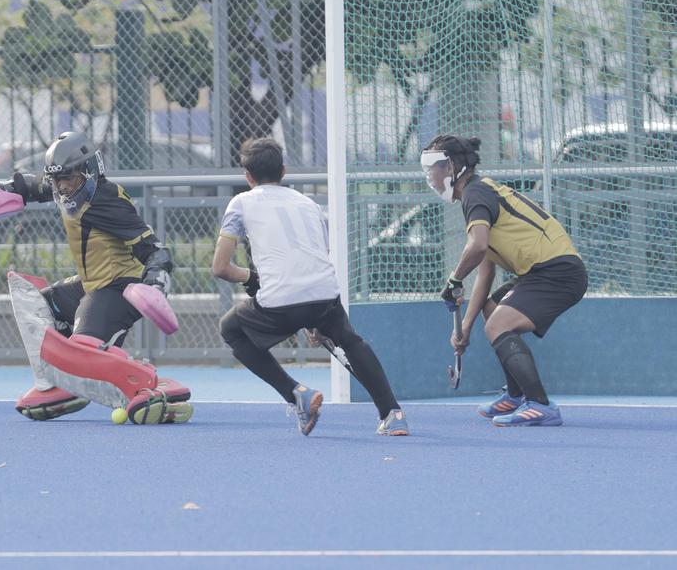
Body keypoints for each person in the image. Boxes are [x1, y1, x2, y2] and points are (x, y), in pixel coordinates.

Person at [0, 131, 192, 424]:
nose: (60, 188)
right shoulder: (67, 189)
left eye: (67, 179)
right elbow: (31, 187)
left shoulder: (106, 201)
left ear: (88, 172)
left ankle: (150, 385)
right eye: (55, 179)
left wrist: (154, 286)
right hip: (92, 284)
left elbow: (156, 251)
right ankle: (64, 383)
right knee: (39, 307)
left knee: (81, 352)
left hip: (119, 288)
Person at [212, 137, 407, 436]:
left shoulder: (240, 203)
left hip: (281, 300)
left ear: (248, 177)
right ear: (284, 171)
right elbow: (316, 259)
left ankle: (295, 393)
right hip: (324, 294)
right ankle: (393, 414)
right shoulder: (308, 203)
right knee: (350, 340)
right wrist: (312, 318)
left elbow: (221, 268)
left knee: (231, 329)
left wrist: (252, 279)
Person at [422, 134, 586, 427]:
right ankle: (515, 395)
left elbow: (477, 247)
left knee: (499, 324)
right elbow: (486, 271)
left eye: (432, 167)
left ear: (451, 168)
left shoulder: (475, 193)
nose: (429, 175)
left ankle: (540, 404)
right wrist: (466, 330)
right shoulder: (478, 194)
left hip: (557, 272)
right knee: (492, 309)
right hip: (541, 273)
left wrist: (454, 279)